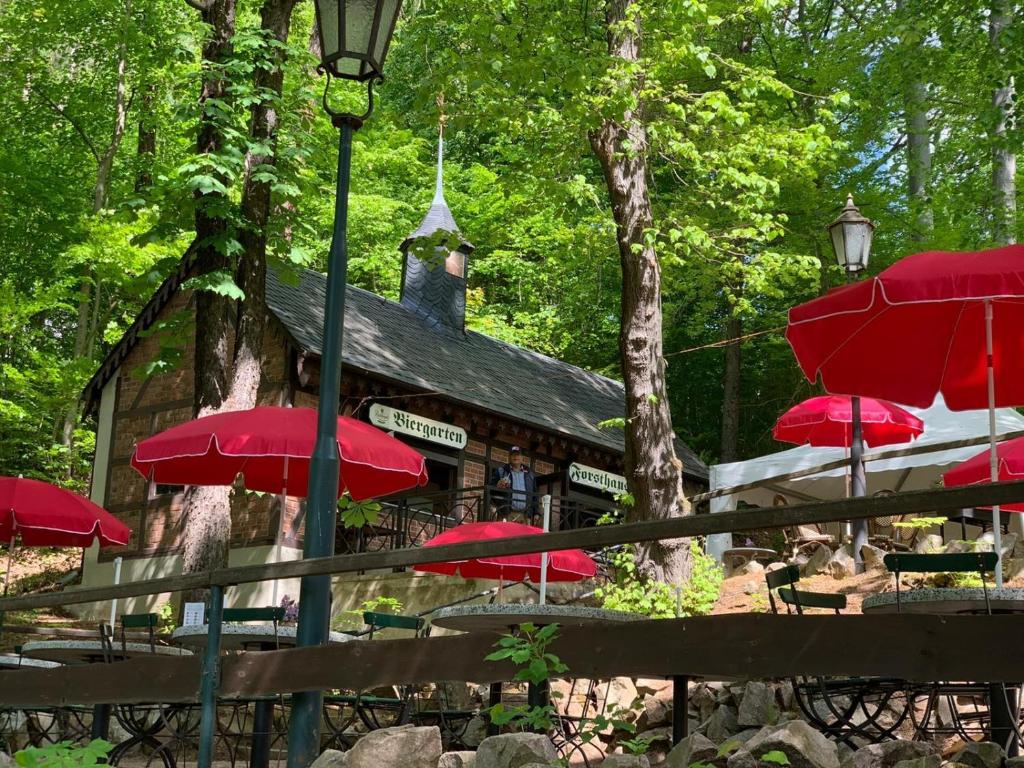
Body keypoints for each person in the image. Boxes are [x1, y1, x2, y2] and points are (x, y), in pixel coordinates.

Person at [490, 446, 537, 522]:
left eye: (518, 454)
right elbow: (490, 491)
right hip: (506, 514)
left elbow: (535, 495)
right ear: (509, 457)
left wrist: (536, 512)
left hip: (524, 515)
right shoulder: (501, 471)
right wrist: (497, 486)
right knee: (504, 534)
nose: (515, 457)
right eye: (513, 454)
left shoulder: (530, 474)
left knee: (525, 534)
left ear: (522, 457)